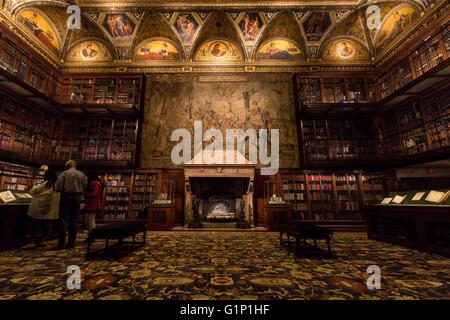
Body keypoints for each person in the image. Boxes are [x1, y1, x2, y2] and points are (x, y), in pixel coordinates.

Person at [55, 160, 87, 249]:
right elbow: (85, 186)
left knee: (63, 219)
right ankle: (71, 243)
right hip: (77, 197)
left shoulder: (64, 174)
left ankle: (61, 243)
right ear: (75, 165)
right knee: (74, 220)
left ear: (67, 166)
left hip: (66, 196)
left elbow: (57, 187)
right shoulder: (81, 174)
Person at [27, 169, 60, 247]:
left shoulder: (45, 183)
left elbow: (33, 191)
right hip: (50, 208)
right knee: (45, 225)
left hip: (39, 206)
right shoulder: (57, 185)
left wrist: (34, 185)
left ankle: (32, 241)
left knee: (35, 224)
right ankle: (42, 240)